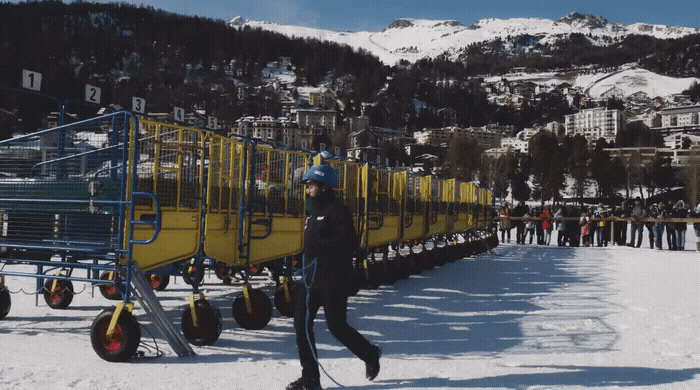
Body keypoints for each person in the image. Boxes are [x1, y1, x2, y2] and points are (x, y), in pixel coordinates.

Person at [288, 165, 381, 390]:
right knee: (301, 327)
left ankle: (370, 353)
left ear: (323, 186)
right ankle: (310, 379)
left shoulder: (339, 211)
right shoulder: (312, 212)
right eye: (307, 186)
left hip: (333, 279)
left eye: (311, 186)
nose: (308, 190)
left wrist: (321, 246)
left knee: (336, 326)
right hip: (310, 280)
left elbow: (348, 244)